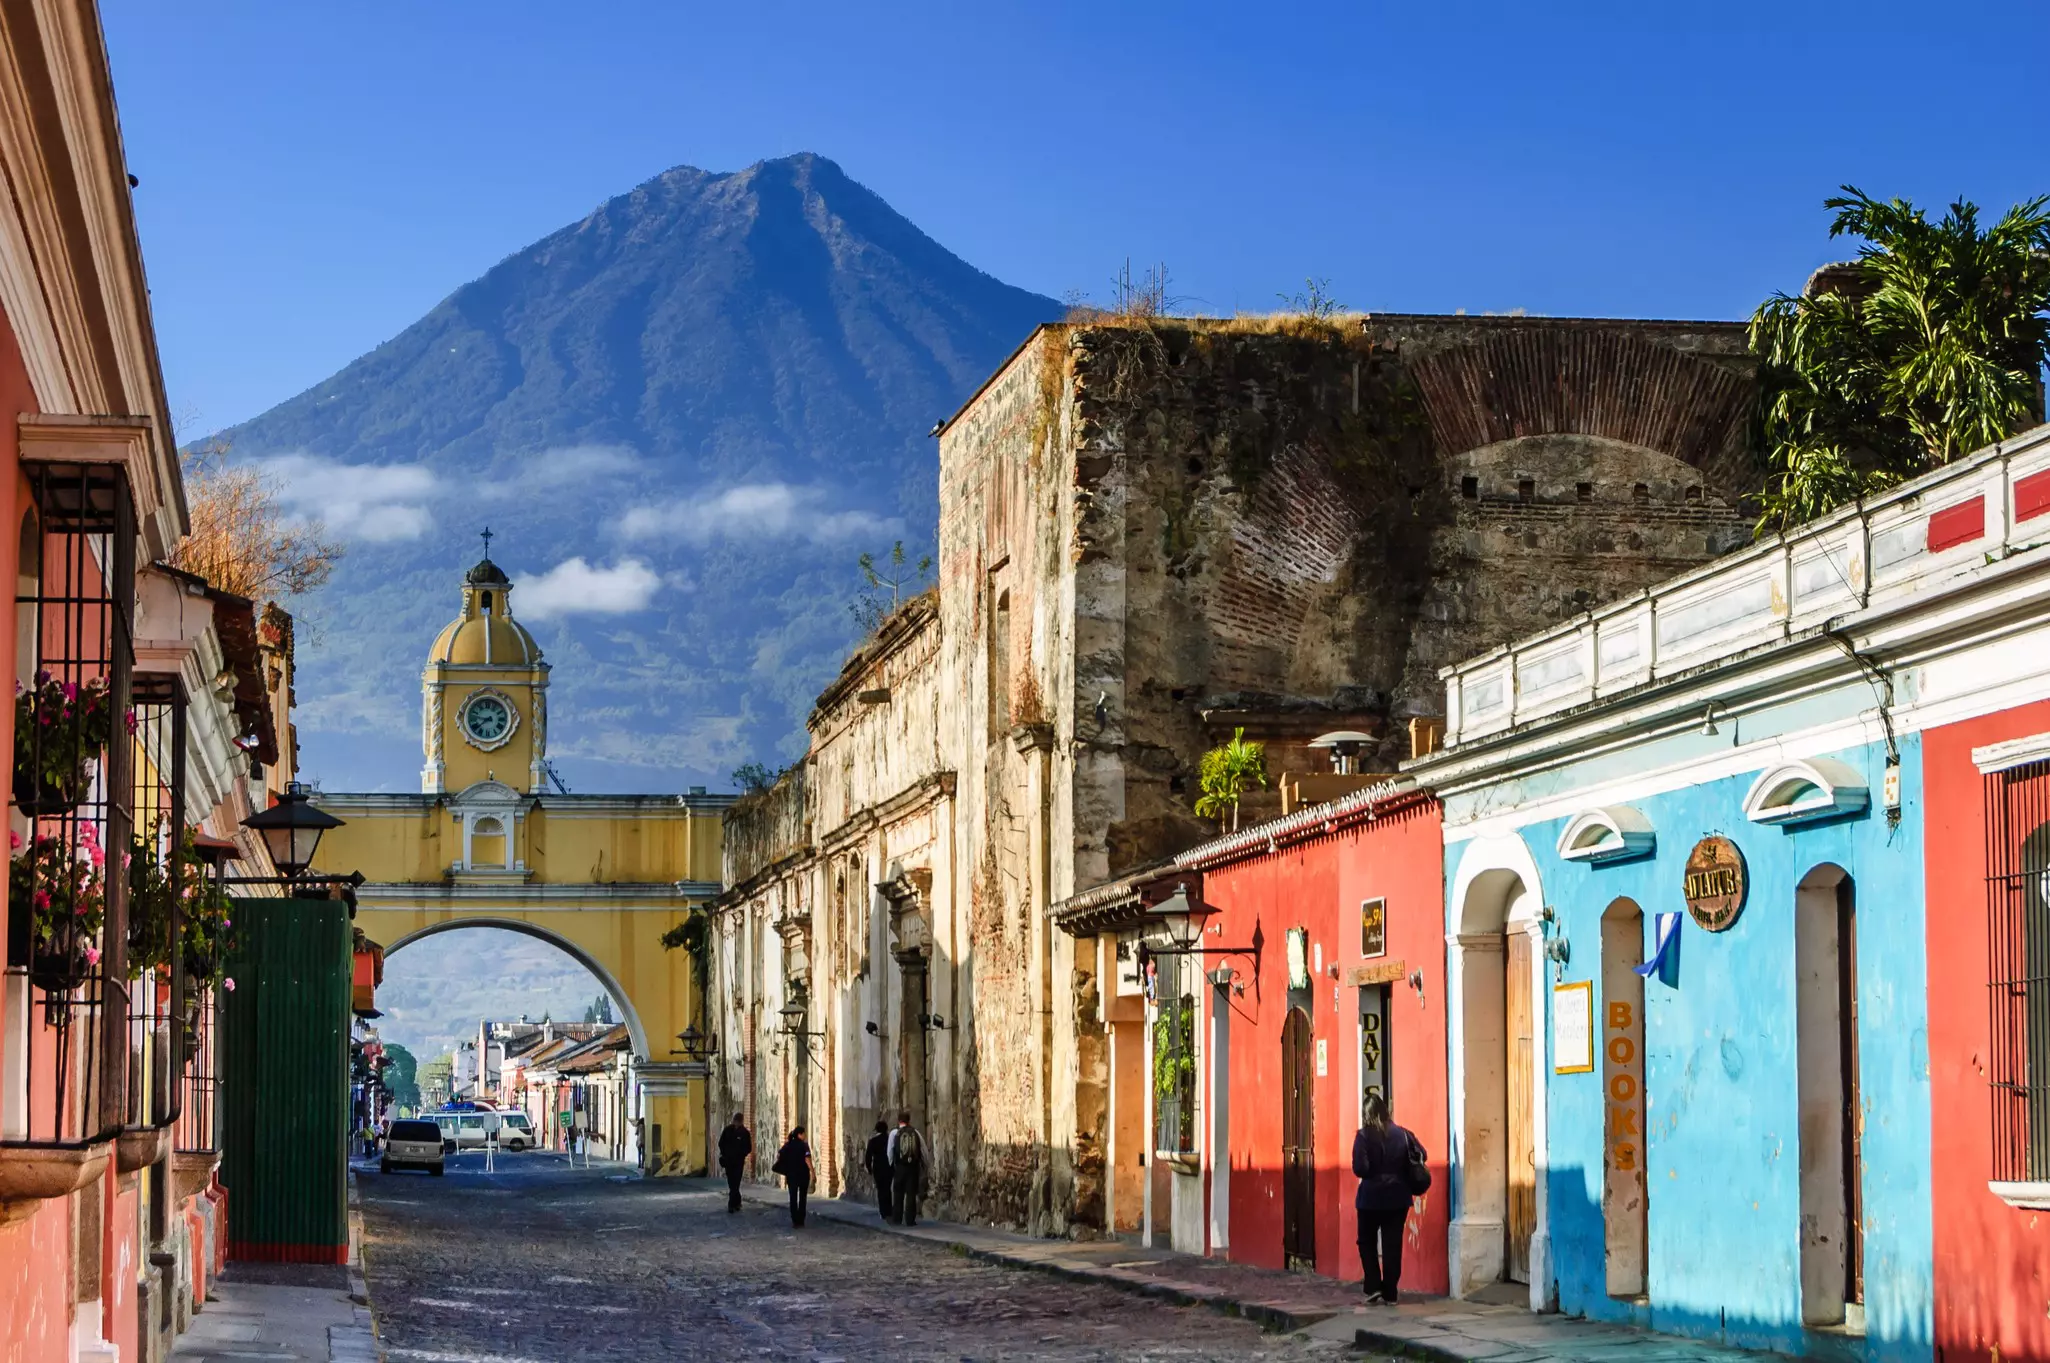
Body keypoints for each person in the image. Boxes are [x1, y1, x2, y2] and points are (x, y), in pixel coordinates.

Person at [1352, 1094, 1425, 1303]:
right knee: (1393, 1244)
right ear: (1385, 1111)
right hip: (1398, 1197)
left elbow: (1360, 1168)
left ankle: (1374, 1285)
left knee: (1366, 1241)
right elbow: (1422, 1154)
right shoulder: (1403, 1134)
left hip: (1370, 1199)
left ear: (1366, 1114)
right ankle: (1391, 1292)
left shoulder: (1363, 1136)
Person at [887, 1111, 928, 1226]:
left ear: (898, 1121)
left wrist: (892, 1164)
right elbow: (923, 1150)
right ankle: (910, 1219)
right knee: (911, 1193)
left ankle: (897, 1218)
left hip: (899, 1167)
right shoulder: (916, 1133)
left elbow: (890, 1151)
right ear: (909, 1120)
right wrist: (925, 1165)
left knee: (898, 1193)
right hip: (912, 1168)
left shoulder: (894, 1133)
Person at [772, 1124, 814, 1228]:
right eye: (804, 1134)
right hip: (803, 1174)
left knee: (793, 1197)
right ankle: (801, 1220)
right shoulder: (804, 1145)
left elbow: (779, 1155)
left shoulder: (788, 1145)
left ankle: (795, 1220)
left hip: (791, 1175)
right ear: (800, 1134)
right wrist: (812, 1172)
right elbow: (807, 1159)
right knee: (803, 1197)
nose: (805, 1135)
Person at [717, 1112, 753, 1214]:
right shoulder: (728, 1130)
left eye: (738, 1122)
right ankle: (737, 1202)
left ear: (741, 1122)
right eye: (735, 1121)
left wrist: (741, 1154)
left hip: (738, 1162)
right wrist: (725, 1153)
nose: (736, 1123)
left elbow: (748, 1148)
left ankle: (731, 1205)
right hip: (728, 1161)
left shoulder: (745, 1133)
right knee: (731, 1183)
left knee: (735, 1183)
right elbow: (721, 1143)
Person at [864, 1119, 896, 1222]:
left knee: (880, 1190)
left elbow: (868, 1157)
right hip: (889, 1167)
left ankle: (883, 1212)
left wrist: (869, 1168)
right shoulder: (889, 1139)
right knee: (887, 1189)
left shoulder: (873, 1141)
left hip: (878, 1168)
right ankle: (889, 1210)